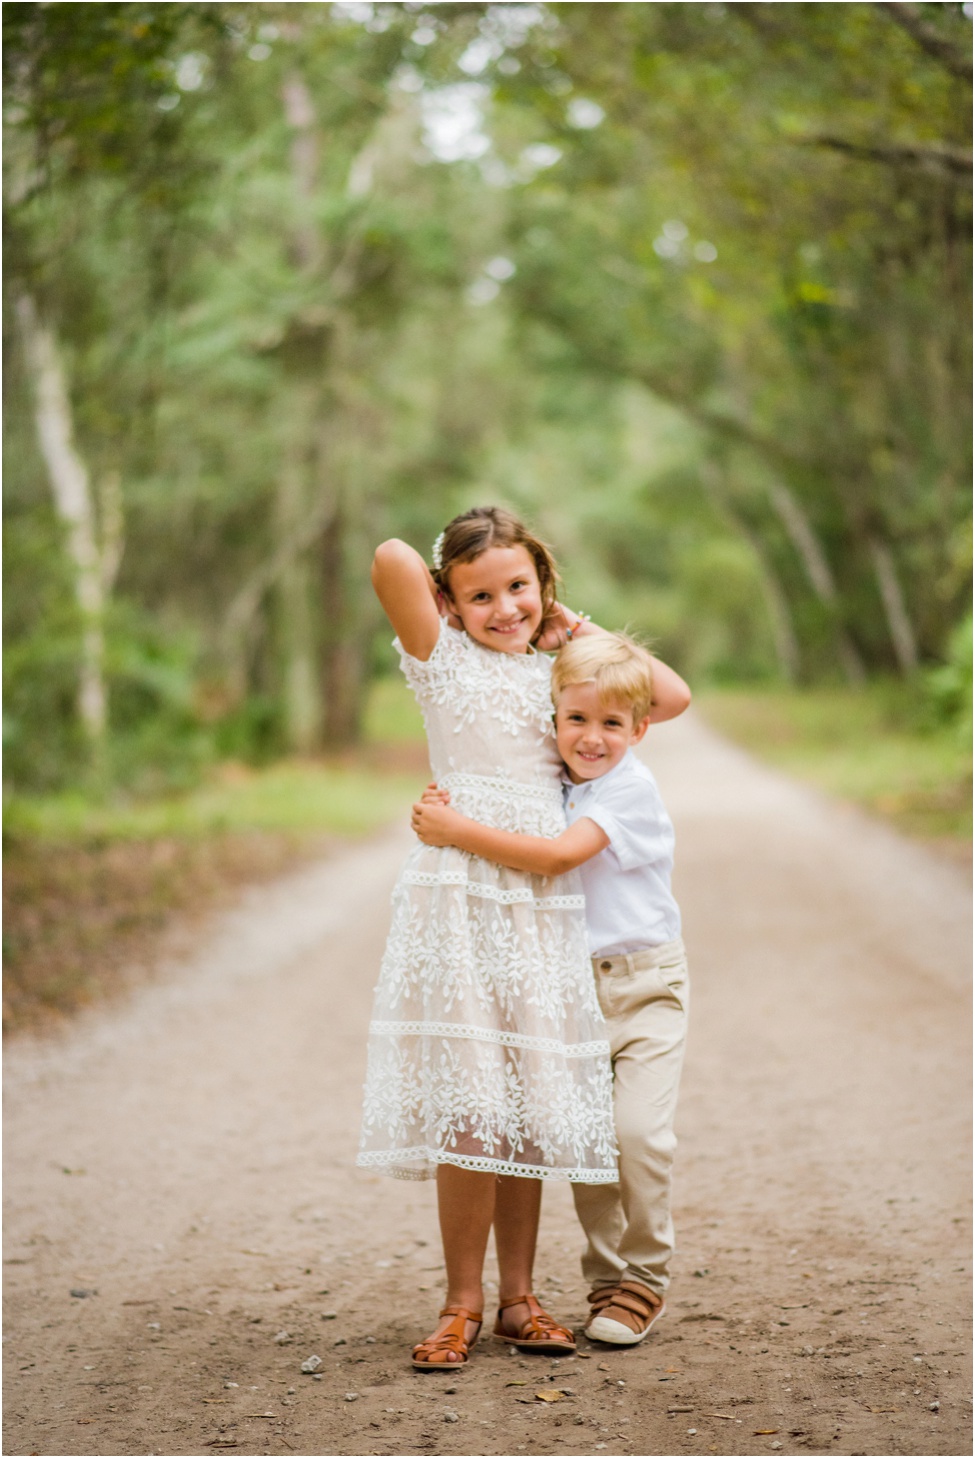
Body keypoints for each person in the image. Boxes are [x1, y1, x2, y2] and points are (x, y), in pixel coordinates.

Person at [357, 507, 687, 1370]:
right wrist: (444, 597)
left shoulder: (557, 671)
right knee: (473, 1104)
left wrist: (563, 623)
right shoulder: (440, 659)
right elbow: (391, 555)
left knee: (530, 1103)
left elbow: (670, 697)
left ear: (543, 587)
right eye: (481, 594)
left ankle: (519, 1298)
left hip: (543, 904)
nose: (503, 607)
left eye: (518, 588)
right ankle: (459, 1302)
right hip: (462, 898)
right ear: (450, 602)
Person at [411, 630, 690, 1347]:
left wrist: (454, 830)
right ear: (552, 718)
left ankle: (645, 1277)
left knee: (638, 1135)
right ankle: (605, 1282)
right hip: (568, 988)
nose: (591, 738)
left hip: (642, 983)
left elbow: (558, 858)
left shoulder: (628, 786)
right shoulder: (552, 779)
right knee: (590, 1146)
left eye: (611, 724)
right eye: (575, 720)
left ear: (639, 728)